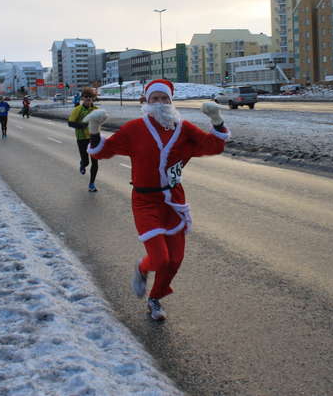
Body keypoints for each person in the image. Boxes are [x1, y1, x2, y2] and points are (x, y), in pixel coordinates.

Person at [86, 79, 229, 321]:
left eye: (165, 99)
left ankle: (155, 298)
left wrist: (217, 120)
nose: (160, 103)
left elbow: (213, 145)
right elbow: (102, 151)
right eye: (155, 98)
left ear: (171, 101)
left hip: (173, 200)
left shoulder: (184, 129)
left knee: (174, 261)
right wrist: (93, 130)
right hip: (145, 201)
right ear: (147, 101)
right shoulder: (135, 128)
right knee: (159, 258)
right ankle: (143, 268)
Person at [67, 87, 100, 192]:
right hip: (82, 139)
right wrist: (82, 125)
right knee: (86, 162)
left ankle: (91, 184)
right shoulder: (78, 110)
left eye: (90, 97)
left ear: (93, 98)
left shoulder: (96, 110)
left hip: (93, 138)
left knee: (95, 162)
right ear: (82, 98)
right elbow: (70, 123)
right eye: (86, 97)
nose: (88, 99)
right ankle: (83, 164)